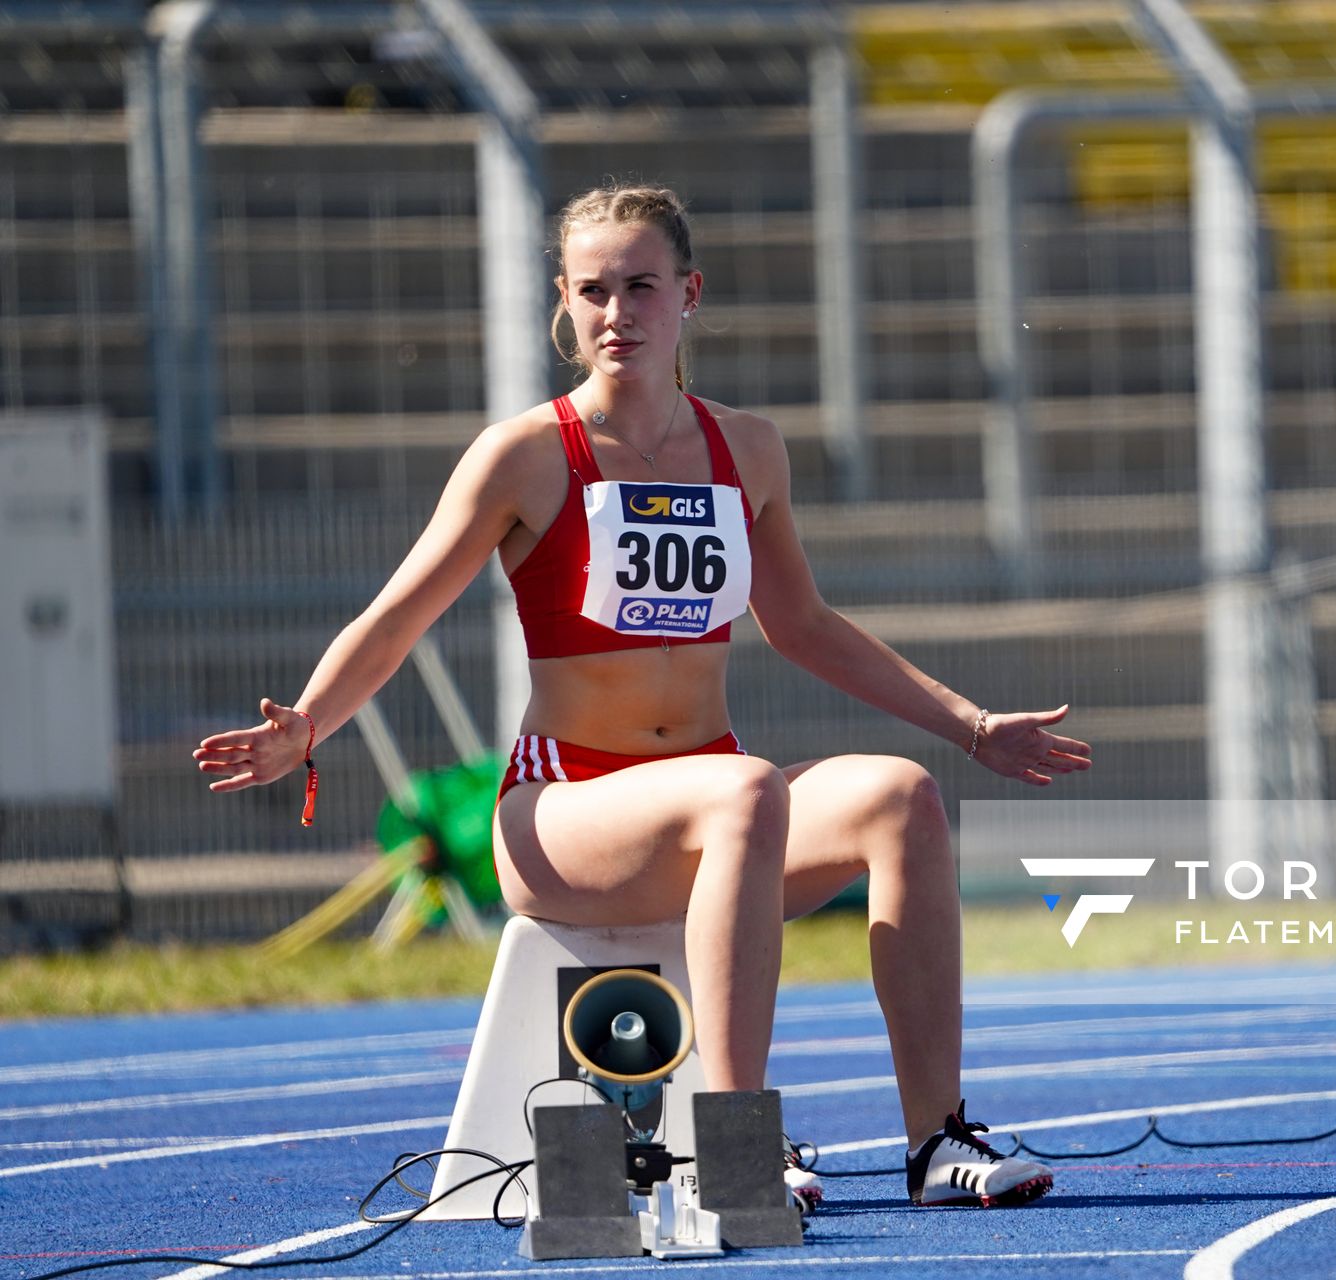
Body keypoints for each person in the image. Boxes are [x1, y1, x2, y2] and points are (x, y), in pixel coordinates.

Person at [192, 183, 1091, 1209]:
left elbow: (802, 626)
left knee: (900, 796)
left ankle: (936, 1138)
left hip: (712, 818)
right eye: (592, 290)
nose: (616, 311)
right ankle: (735, 1145)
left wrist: (970, 724)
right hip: (561, 813)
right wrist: (308, 721)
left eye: (641, 286)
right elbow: (399, 614)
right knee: (746, 789)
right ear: (565, 306)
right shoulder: (525, 455)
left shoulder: (746, 449)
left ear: (689, 295)